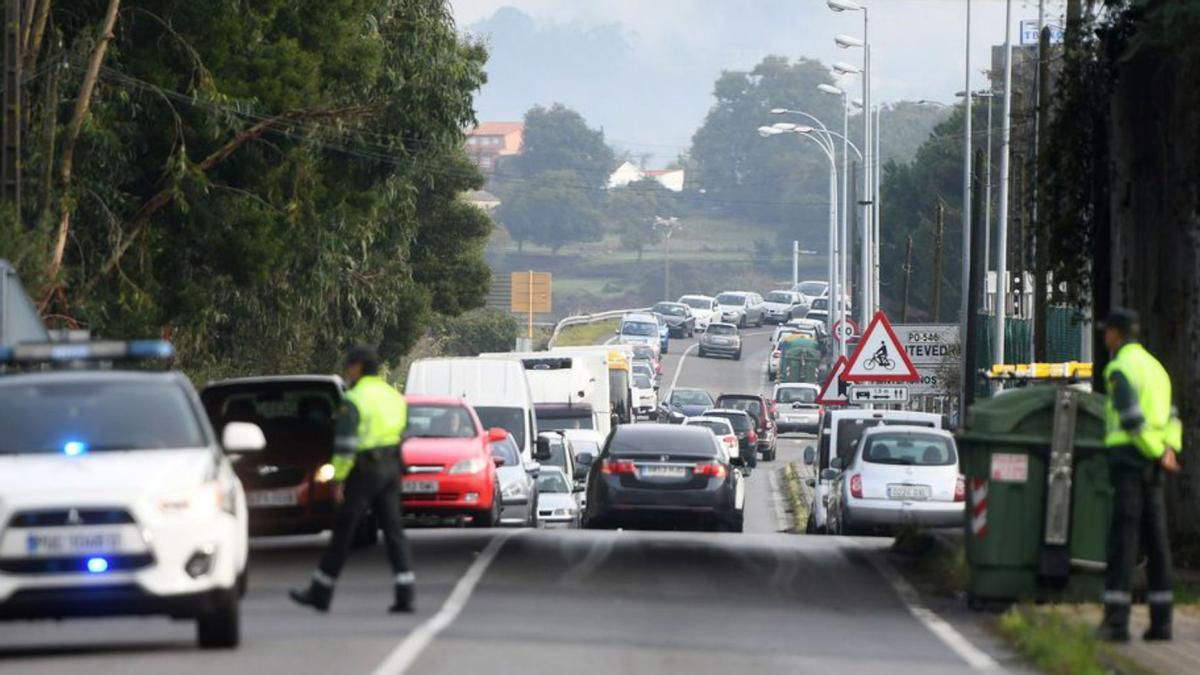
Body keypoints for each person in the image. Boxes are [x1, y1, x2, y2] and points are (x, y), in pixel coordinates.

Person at [290, 345, 415, 613]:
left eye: (349, 365)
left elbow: (345, 445)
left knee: (344, 530)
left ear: (358, 367)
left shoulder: (355, 399)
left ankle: (320, 591)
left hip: (365, 470)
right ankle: (405, 592)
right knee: (393, 530)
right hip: (391, 468)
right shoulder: (393, 396)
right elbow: (403, 432)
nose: (347, 370)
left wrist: (338, 480)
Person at [1099, 308, 1183, 642]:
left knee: (1124, 541)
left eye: (1107, 331)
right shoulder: (1157, 368)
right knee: (1158, 544)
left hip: (1131, 462)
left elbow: (1131, 418)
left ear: (1117, 334)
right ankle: (1162, 624)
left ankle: (1116, 623)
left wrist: (1151, 450)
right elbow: (1173, 416)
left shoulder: (1120, 368)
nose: (1104, 336)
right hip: (1157, 464)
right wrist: (1168, 450)